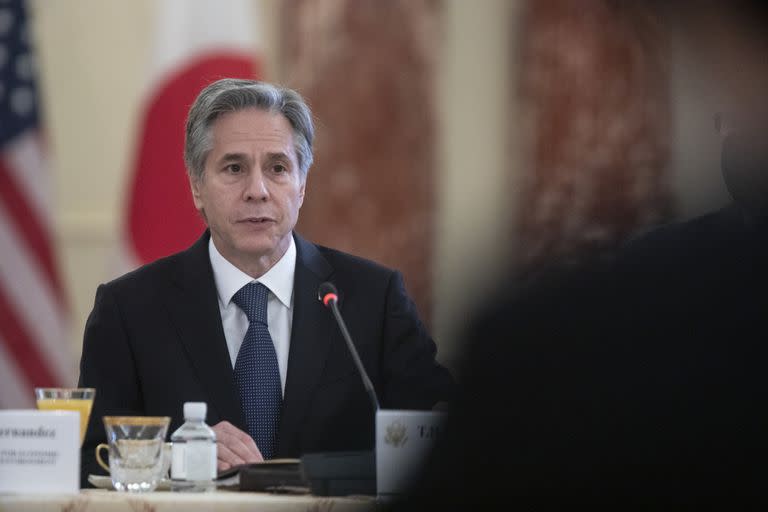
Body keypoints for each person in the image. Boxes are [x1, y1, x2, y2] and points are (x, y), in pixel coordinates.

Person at [78, 79, 455, 486]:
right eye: (234, 168)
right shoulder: (129, 310)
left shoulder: (373, 300)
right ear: (196, 187)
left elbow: (444, 433)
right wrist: (171, 456)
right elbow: (87, 463)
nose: (257, 191)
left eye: (277, 168)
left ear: (302, 185)